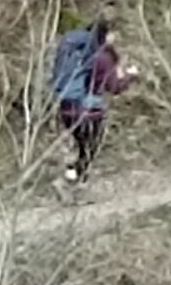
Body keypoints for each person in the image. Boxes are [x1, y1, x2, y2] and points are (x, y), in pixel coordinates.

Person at [47, 20, 132, 183]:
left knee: (81, 146)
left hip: (66, 107)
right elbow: (114, 87)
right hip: (89, 111)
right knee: (89, 149)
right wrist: (130, 76)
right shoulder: (102, 57)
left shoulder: (76, 53)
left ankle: (71, 176)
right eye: (112, 33)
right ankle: (73, 182)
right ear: (105, 36)